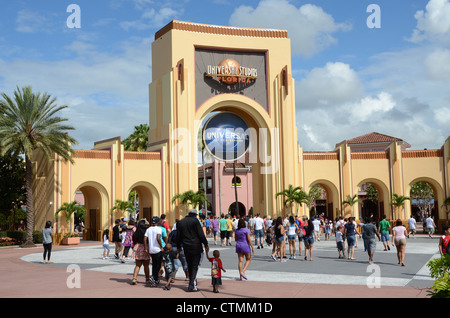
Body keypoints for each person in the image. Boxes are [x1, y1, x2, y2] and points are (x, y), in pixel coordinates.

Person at [175, 209, 209, 292]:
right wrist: (206, 244)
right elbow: (201, 234)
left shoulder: (181, 222)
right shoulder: (195, 221)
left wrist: (179, 246)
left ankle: (192, 283)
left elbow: (178, 236)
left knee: (190, 264)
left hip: (186, 246)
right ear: (195, 214)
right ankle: (192, 285)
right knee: (194, 265)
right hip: (196, 246)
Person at [130, 219, 150, 285]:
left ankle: (134, 278)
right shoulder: (147, 232)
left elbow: (134, 242)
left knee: (137, 265)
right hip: (145, 248)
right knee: (146, 265)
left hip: (138, 247)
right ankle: (147, 279)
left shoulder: (135, 233)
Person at [144, 216, 163, 287]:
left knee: (154, 264)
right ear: (158, 222)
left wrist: (146, 248)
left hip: (151, 249)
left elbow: (145, 239)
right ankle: (154, 277)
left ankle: (155, 278)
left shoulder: (148, 229)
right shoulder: (159, 229)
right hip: (157, 249)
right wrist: (161, 246)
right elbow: (158, 238)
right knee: (158, 265)